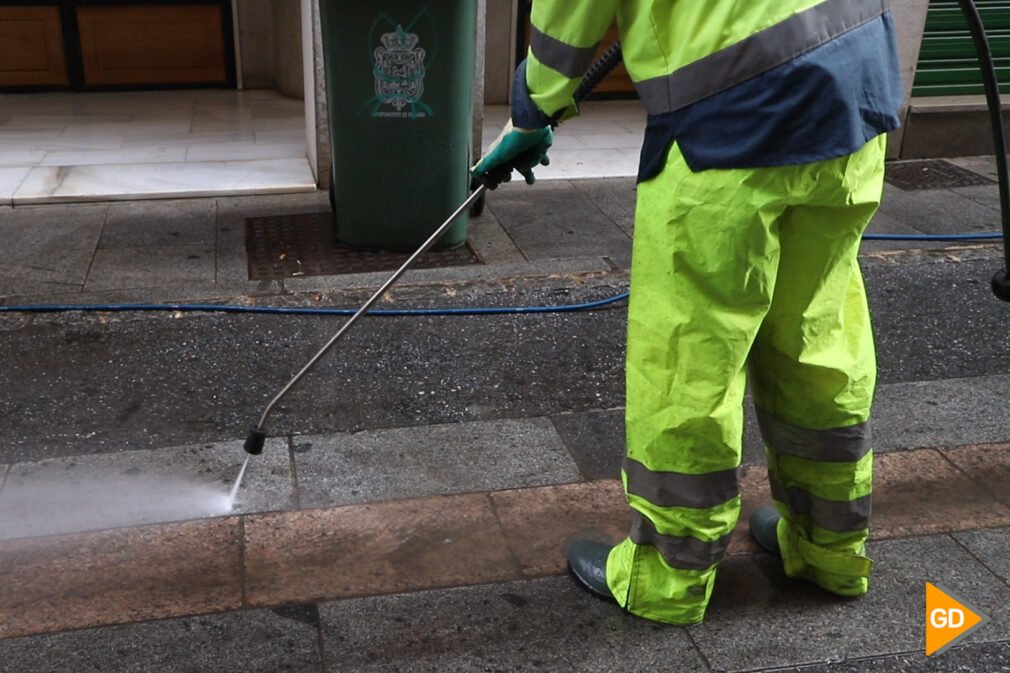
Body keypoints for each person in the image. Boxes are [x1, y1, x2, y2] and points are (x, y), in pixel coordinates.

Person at [472, 0, 904, 625]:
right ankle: (830, 548)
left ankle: (667, 575)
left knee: (690, 357)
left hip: (731, 125)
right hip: (853, 90)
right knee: (817, 337)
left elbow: (570, 15)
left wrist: (534, 106)